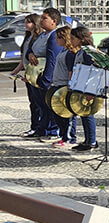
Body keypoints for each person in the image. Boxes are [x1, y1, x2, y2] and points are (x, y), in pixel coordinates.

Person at [29, 8, 63, 140]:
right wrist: (30, 54)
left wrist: (46, 79)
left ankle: (52, 130)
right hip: (35, 74)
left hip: (46, 76)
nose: (41, 21)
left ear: (54, 21)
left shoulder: (54, 36)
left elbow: (52, 59)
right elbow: (31, 49)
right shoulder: (42, 35)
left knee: (49, 105)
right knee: (40, 104)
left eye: (44, 18)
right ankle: (42, 128)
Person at [46, 26, 78, 148]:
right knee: (58, 113)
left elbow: (71, 70)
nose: (56, 40)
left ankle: (69, 137)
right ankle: (63, 135)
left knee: (67, 114)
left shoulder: (70, 53)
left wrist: (69, 85)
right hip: (57, 84)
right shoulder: (62, 51)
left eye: (58, 38)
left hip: (64, 85)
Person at [68, 26, 99, 152]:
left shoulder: (88, 52)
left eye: (73, 38)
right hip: (80, 86)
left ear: (81, 38)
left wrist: (90, 90)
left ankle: (91, 141)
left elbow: (93, 71)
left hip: (87, 87)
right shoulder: (81, 51)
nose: (71, 41)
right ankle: (87, 140)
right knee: (83, 113)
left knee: (87, 114)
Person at [12, 14, 42, 137]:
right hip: (28, 73)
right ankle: (34, 126)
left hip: (35, 74)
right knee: (33, 102)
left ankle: (38, 127)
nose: (26, 25)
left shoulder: (38, 38)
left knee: (38, 103)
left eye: (28, 22)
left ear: (35, 24)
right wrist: (15, 71)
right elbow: (23, 59)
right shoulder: (28, 37)